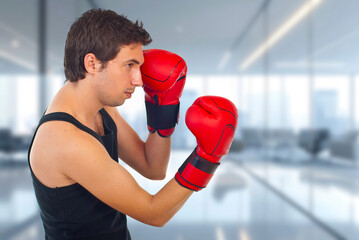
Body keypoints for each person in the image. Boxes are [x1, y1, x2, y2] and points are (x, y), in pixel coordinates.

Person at [28, 9, 238, 240]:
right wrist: (207, 158)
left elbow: (153, 168)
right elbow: (154, 213)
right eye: (129, 65)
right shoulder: (66, 140)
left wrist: (163, 106)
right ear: (92, 63)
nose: (139, 80)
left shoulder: (101, 109)